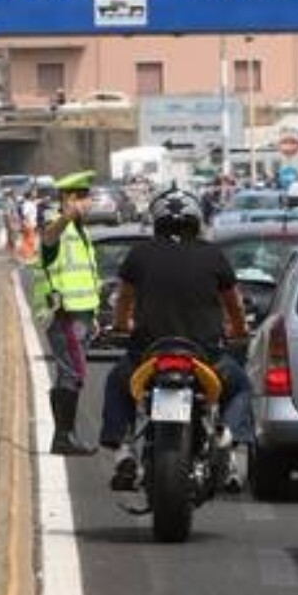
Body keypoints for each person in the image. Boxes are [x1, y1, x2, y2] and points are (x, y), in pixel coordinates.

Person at [99, 186, 253, 492]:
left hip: (149, 355)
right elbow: (234, 305)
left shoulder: (139, 254)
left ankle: (123, 450)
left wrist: (120, 327)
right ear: (197, 222)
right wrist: (239, 332)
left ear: (156, 222)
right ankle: (229, 438)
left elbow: (124, 302)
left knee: (117, 383)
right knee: (239, 386)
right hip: (205, 357)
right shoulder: (214, 255)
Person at [33, 169, 100, 456]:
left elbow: (87, 276)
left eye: (88, 197)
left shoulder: (82, 231)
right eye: (83, 198)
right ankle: (63, 436)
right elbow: (48, 239)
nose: (89, 203)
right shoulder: (58, 226)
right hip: (65, 314)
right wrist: (65, 217)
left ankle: (65, 434)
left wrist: (93, 316)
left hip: (81, 313)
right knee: (72, 372)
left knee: (72, 373)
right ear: (69, 199)